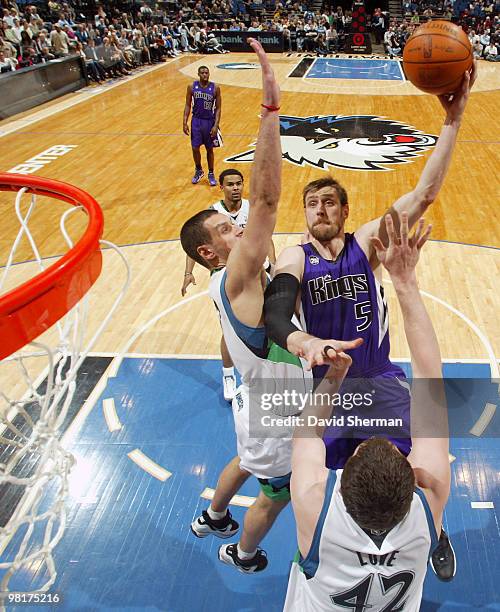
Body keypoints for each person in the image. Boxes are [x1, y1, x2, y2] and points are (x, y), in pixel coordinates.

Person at [263, 62, 477, 580]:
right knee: (334, 479)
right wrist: (300, 338)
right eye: (312, 203)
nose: (320, 209)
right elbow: (276, 305)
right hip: (330, 386)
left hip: (379, 381)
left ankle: (436, 526)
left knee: (417, 471)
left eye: (329, 202)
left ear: (344, 210)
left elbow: (423, 196)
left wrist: (452, 123)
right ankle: (331, 550)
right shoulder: (295, 257)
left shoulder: (364, 245)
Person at [181, 38, 359, 573]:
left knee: (246, 456)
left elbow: (243, 343)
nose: (241, 228)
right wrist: (270, 111)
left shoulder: (238, 284)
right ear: (211, 253)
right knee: (274, 496)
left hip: (255, 403)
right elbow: (263, 200)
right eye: (228, 230)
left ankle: (214, 513)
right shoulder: (235, 276)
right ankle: (243, 550)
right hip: (273, 413)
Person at [284, 212, 452, 610]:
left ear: (337, 483)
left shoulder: (316, 511)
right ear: (414, 477)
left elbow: (307, 432)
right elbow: (430, 373)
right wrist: (407, 282)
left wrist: (332, 376)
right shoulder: (427, 507)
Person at [181, 168, 277, 401]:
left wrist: (273, 265)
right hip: (271, 399)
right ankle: (227, 375)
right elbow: (199, 246)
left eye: (238, 184)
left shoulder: (246, 210)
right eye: (227, 230)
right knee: (229, 331)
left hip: (271, 391)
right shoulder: (236, 277)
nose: (235, 188)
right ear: (221, 187)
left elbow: (264, 236)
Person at [183, 65, 222, 186]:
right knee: (195, 148)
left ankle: (211, 173)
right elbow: (188, 105)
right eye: (203, 73)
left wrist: (216, 125)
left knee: (209, 149)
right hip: (196, 120)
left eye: (207, 73)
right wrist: (184, 121)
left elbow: (218, 108)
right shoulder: (191, 87)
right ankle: (198, 170)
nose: (205, 75)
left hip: (209, 121)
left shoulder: (215, 88)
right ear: (198, 74)